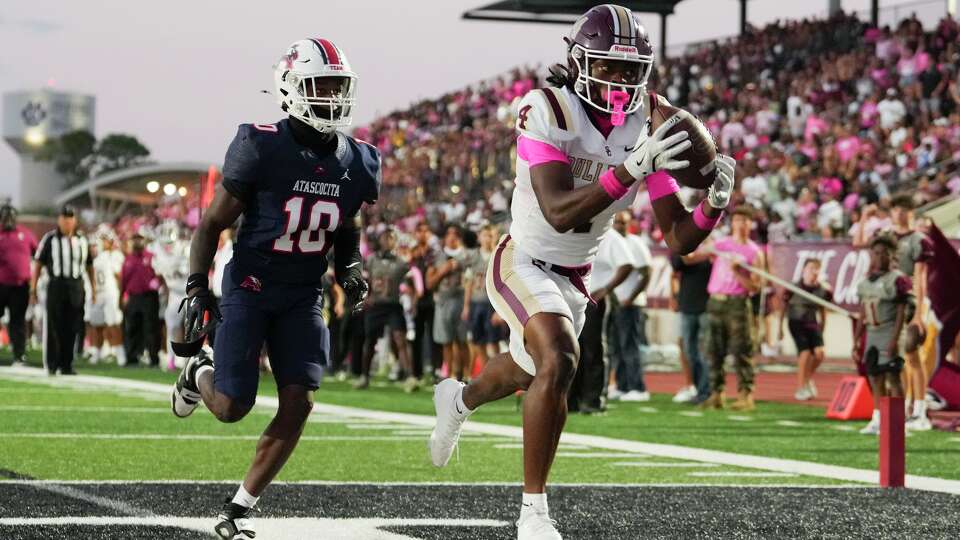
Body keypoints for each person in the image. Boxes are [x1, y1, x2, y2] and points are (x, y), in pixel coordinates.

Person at [427, 6, 736, 538]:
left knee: (530, 370)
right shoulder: (547, 107)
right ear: (580, 62)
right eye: (609, 67)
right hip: (522, 257)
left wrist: (714, 202)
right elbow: (559, 209)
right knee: (561, 357)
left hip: (575, 273)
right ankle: (534, 514)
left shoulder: (648, 123)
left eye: (630, 69)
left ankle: (458, 399)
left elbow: (680, 239)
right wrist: (632, 167)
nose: (620, 80)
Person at [169, 38, 378, 539]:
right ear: (291, 88)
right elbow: (211, 224)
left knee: (300, 400)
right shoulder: (261, 143)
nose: (331, 96)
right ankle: (198, 372)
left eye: (337, 86)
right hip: (252, 283)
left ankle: (239, 508)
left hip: (304, 292)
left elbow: (344, 225)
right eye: (320, 85)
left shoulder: (361, 159)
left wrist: (349, 265)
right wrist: (199, 284)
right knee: (232, 406)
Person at [702, 206, 764, 411]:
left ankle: (746, 396)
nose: (741, 224)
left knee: (741, 350)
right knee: (713, 350)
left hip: (738, 303)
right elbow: (693, 256)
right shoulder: (721, 245)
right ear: (733, 223)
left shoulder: (755, 252)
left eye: (745, 221)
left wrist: (738, 272)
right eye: (738, 220)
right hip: (716, 301)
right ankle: (716, 394)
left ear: (750, 225)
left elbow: (755, 287)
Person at [572, 228, 631, 412]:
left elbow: (627, 264)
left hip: (594, 299)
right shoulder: (572, 230)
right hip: (572, 299)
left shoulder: (609, 235)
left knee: (593, 349)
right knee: (572, 350)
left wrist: (605, 289)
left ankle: (594, 400)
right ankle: (570, 400)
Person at [855, 234, 910, 435]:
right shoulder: (865, 282)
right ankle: (878, 418)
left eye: (883, 253)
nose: (879, 257)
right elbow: (863, 312)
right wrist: (856, 339)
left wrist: (895, 339)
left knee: (893, 377)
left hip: (889, 332)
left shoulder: (897, 279)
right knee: (874, 377)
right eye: (876, 253)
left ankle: (898, 422)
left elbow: (902, 312)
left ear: (892, 255)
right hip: (872, 334)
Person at [888, 194, 934, 431]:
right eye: (896, 208)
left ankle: (920, 409)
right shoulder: (886, 238)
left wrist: (918, 311)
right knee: (897, 359)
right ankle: (905, 406)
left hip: (909, 302)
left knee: (912, 355)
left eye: (904, 209)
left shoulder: (919, 240)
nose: (900, 213)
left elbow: (920, 276)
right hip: (890, 303)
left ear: (911, 212)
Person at [31, 205, 94, 375]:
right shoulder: (50, 239)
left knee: (72, 325)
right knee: (54, 324)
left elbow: (89, 265)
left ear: (75, 220)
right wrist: (33, 289)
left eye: (70, 217)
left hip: (76, 285)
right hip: (56, 285)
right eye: (64, 217)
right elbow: (38, 264)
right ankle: (52, 364)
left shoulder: (82, 239)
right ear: (59, 219)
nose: (67, 221)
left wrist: (93, 289)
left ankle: (66, 364)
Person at [354, 227, 415, 391]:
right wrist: (365, 297)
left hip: (393, 305)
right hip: (376, 306)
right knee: (370, 340)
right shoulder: (372, 259)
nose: (388, 241)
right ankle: (364, 376)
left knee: (400, 338)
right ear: (380, 240)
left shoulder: (402, 262)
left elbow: (411, 282)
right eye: (385, 237)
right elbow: (364, 280)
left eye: (391, 238)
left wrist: (413, 301)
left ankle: (409, 376)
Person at [608, 211, 653, 402]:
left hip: (631, 303)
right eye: (616, 222)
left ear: (629, 224)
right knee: (616, 347)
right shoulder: (609, 243)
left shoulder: (635, 243)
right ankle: (622, 385)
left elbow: (647, 272)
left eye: (623, 223)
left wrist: (632, 297)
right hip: (615, 302)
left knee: (630, 346)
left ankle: (638, 387)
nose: (619, 226)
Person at [778, 258, 831, 401]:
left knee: (820, 354)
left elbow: (823, 309)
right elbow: (783, 307)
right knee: (805, 353)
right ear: (803, 270)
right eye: (810, 268)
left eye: (816, 268)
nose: (813, 272)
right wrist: (780, 328)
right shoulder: (793, 287)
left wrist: (823, 327)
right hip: (796, 321)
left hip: (812, 322)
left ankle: (807, 378)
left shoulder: (822, 290)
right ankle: (801, 387)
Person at [670, 244, 713, 404]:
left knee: (704, 351)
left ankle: (706, 391)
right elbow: (681, 264)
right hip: (687, 305)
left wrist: (709, 251)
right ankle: (697, 388)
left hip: (707, 306)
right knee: (689, 350)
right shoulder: (685, 247)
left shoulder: (716, 247)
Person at [427, 225, 471, 381]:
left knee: (462, 340)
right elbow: (429, 284)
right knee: (446, 341)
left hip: (460, 301)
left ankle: (467, 374)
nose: (452, 237)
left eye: (456, 234)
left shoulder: (467, 256)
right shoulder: (436, 256)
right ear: (444, 236)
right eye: (449, 233)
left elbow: (470, 281)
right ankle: (450, 374)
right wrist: (443, 271)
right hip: (442, 302)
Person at [462, 224, 502, 382]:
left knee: (493, 340)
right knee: (477, 340)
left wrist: (500, 308)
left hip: (491, 304)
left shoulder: (497, 255)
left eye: (490, 235)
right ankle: (487, 373)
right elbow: (469, 283)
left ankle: (499, 375)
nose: (487, 239)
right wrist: (466, 306)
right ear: (479, 237)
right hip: (476, 302)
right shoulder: (474, 257)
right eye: (485, 235)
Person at [0, 203, 37, 366]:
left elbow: (38, 254)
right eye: (5, 217)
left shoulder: (26, 234)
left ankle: (19, 355)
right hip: (1, 284)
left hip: (20, 286)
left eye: (10, 217)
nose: (8, 220)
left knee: (18, 321)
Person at [121, 232, 164, 367]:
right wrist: (122, 296)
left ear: (143, 241)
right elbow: (123, 281)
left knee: (151, 328)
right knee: (132, 327)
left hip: (149, 296)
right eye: (134, 239)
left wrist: (157, 283)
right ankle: (132, 357)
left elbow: (160, 274)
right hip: (133, 297)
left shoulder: (151, 257)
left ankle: (153, 357)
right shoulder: (127, 259)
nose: (137, 242)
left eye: (139, 239)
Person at [87, 229, 125, 365]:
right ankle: (96, 353)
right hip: (97, 293)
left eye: (104, 239)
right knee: (97, 324)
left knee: (113, 323)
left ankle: (120, 354)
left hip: (110, 293)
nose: (101, 242)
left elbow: (119, 276)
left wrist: (120, 294)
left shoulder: (114, 256)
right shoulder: (94, 257)